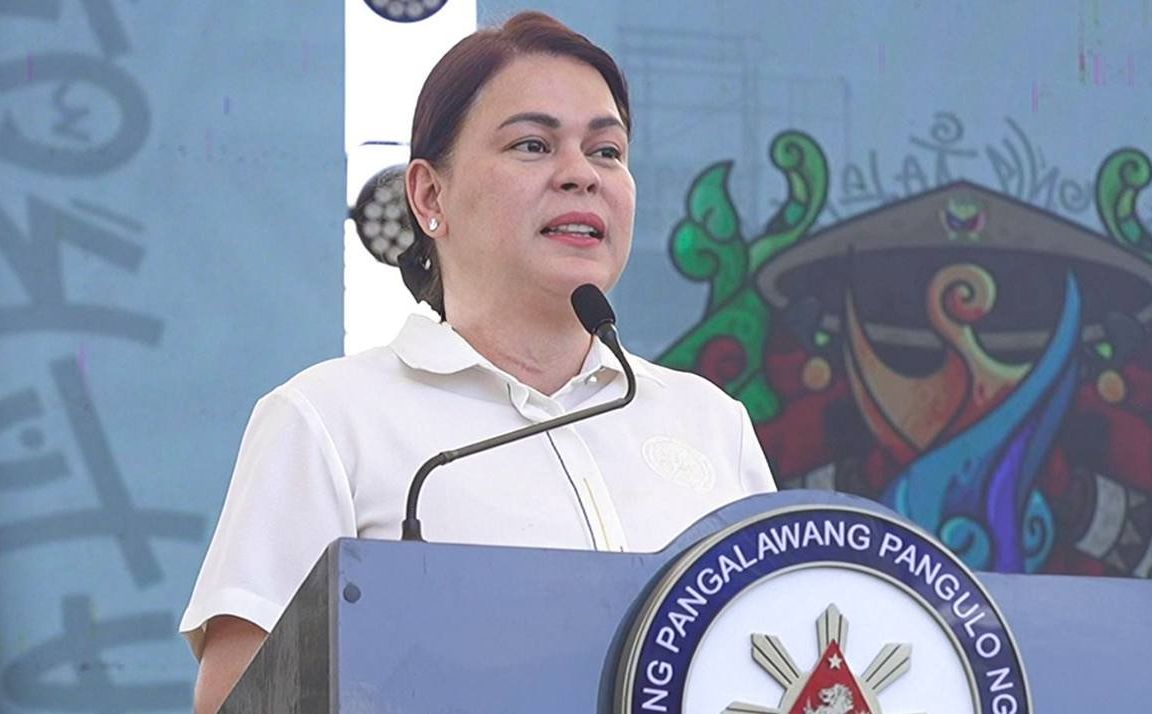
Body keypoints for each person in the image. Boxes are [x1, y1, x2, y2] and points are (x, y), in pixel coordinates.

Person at [182, 11, 776, 712]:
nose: (581, 175)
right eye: (532, 145)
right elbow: (238, 700)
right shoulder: (329, 423)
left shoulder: (710, 424)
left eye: (607, 150)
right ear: (429, 195)